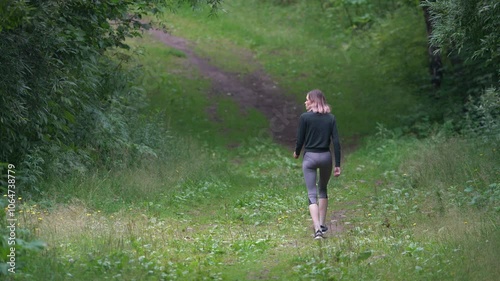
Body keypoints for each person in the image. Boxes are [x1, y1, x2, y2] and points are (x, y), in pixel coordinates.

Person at [293, 89, 341, 239]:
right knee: (323, 189)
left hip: (310, 157)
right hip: (326, 157)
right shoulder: (331, 118)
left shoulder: (305, 118)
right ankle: (321, 224)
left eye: (307, 99)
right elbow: (336, 142)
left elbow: (300, 139)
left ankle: (317, 230)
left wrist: (297, 152)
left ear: (313, 101)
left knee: (311, 193)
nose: (305, 102)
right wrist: (337, 164)